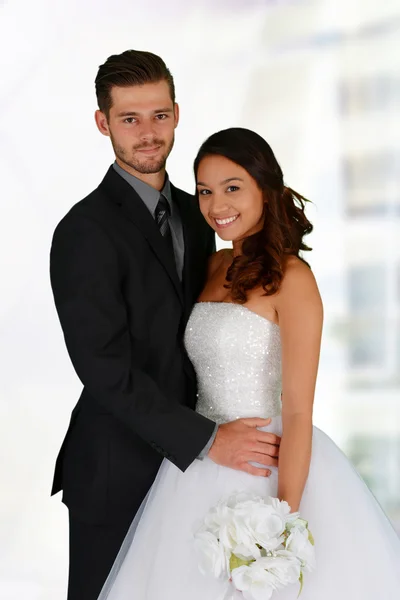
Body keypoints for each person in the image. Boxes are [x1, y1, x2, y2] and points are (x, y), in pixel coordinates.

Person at [97, 127, 400, 600]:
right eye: (204, 191)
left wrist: (282, 524)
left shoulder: (294, 278)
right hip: (198, 460)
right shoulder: (214, 265)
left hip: (267, 466)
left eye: (232, 187)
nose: (217, 206)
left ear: (264, 186)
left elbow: (298, 411)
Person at [49, 53, 281, 600]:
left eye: (158, 115)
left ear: (176, 114)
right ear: (104, 122)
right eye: (130, 119)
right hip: (117, 471)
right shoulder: (83, 232)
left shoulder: (201, 213)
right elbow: (104, 369)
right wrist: (206, 440)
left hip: (197, 483)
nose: (148, 133)